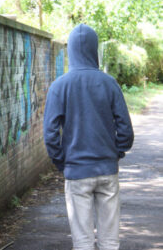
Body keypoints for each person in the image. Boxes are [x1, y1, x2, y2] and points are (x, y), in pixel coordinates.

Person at [43, 24, 134, 250]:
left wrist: (61, 162)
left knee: (82, 242)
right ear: (94, 49)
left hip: (76, 173)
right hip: (107, 170)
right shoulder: (109, 84)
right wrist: (117, 151)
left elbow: (50, 133)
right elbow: (125, 129)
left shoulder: (59, 86)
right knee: (110, 242)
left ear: (71, 50)